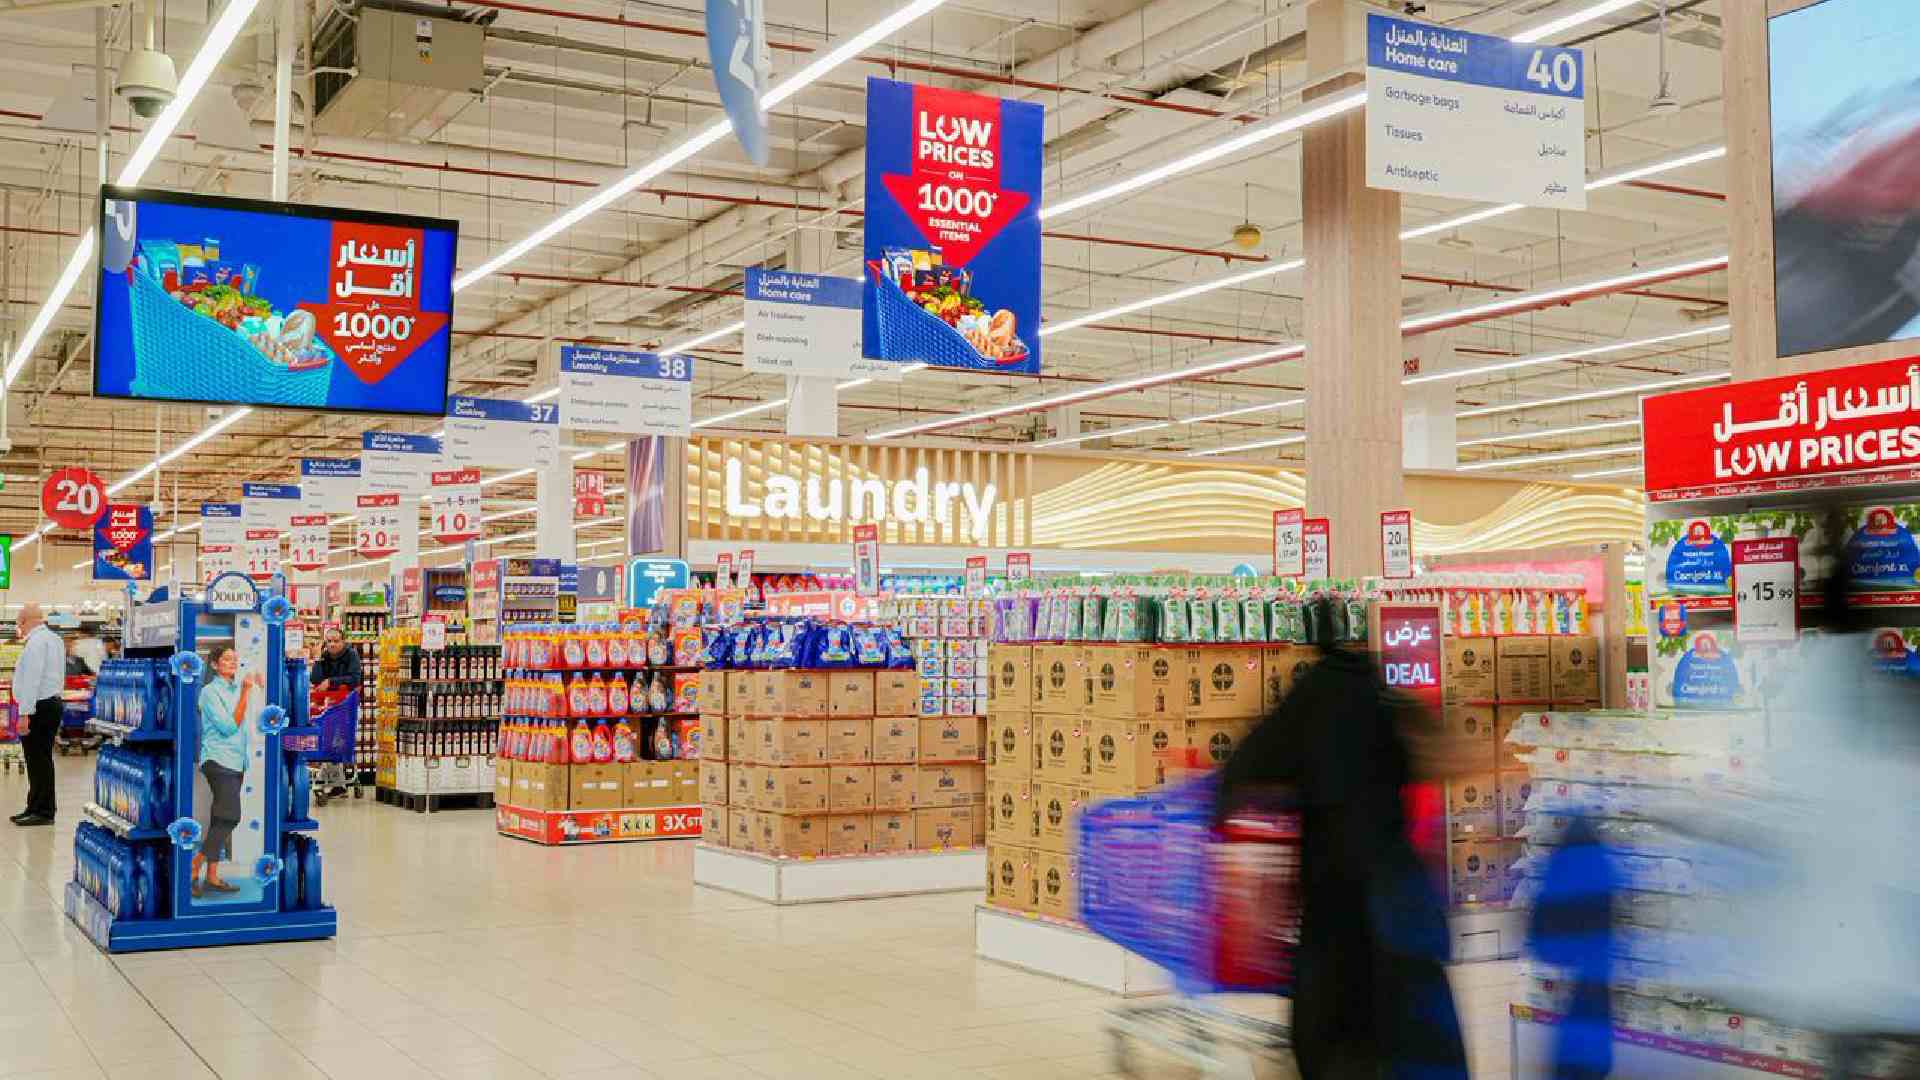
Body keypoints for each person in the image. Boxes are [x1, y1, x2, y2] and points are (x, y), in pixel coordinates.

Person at [1213, 607, 1469, 1080]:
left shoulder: (1309, 697)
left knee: (1327, 1006)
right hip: (1390, 873)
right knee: (1391, 998)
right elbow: (1424, 761)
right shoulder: (1381, 692)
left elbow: (1250, 762)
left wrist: (1221, 805)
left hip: (1331, 879)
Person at [193, 645, 260, 897]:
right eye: (226, 659)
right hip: (218, 760)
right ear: (214, 664)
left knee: (220, 818)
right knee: (231, 816)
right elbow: (229, 727)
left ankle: (211, 876)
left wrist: (254, 684)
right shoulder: (209, 692)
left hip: (236, 761)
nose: (232, 663)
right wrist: (245, 693)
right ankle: (195, 863)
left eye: (234, 659)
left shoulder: (235, 687)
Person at [11, 605, 67, 826]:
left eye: (19, 623)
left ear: (27, 620)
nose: (19, 628)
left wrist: (24, 713)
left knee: (37, 760)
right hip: (50, 704)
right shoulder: (54, 639)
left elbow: (32, 680)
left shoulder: (36, 642)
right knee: (40, 759)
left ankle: (43, 811)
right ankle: (35, 807)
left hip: (38, 707)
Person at [308, 626, 361, 693]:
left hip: (347, 698)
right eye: (329, 641)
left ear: (343, 642)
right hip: (328, 698)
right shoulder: (324, 656)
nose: (332, 644)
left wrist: (331, 681)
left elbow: (355, 679)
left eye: (336, 641)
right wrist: (318, 658)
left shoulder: (352, 654)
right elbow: (315, 680)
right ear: (325, 643)